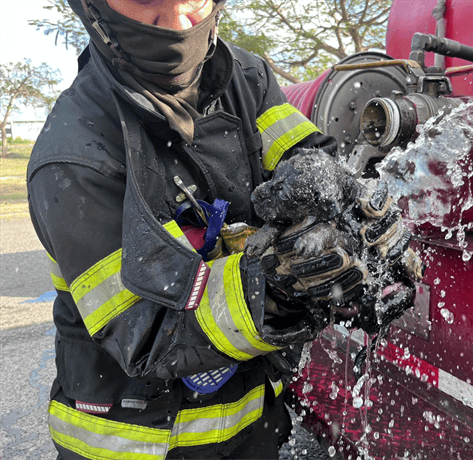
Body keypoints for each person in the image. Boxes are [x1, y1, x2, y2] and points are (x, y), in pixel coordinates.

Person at [27, 1, 414, 459]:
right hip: (134, 442)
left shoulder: (246, 78)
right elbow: (148, 334)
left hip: (253, 426)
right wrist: (278, 289)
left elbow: (305, 153)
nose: (176, 24)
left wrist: (332, 189)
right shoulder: (72, 156)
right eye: (146, 1)